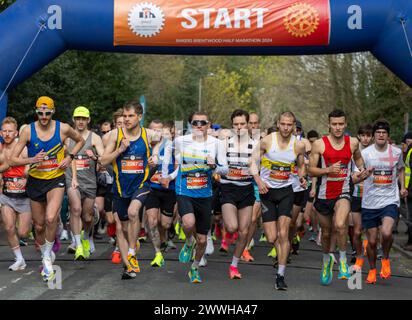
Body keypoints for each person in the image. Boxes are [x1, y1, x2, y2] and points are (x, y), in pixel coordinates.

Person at [10, 96, 85, 282]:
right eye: (40, 112)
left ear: (53, 112)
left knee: (51, 218)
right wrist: (31, 160)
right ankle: (45, 251)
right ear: (36, 112)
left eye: (47, 112)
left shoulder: (63, 128)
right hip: (35, 181)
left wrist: (70, 157)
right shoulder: (28, 130)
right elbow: (12, 159)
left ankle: (47, 258)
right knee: (39, 224)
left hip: (55, 179)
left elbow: (81, 140)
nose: (43, 116)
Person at [161, 111, 228, 283]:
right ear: (191, 125)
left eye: (202, 123)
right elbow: (168, 152)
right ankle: (189, 242)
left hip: (205, 194)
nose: (199, 126)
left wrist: (215, 166)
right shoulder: (181, 141)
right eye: (195, 123)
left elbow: (225, 170)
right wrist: (165, 175)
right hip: (185, 191)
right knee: (188, 223)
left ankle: (194, 268)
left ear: (209, 124)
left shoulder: (217, 143)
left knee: (203, 239)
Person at [101, 101, 160, 280]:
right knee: (122, 227)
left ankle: (132, 252)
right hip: (120, 187)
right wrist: (120, 150)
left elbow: (161, 140)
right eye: (124, 116)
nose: (126, 119)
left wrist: (155, 156)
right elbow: (103, 161)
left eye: (130, 116)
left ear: (139, 117)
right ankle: (128, 267)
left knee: (133, 212)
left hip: (141, 184)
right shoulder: (115, 135)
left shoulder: (148, 134)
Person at [308, 109, 366, 286]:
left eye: (341, 124)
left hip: (344, 191)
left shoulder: (353, 142)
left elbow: (358, 159)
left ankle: (342, 260)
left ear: (346, 124)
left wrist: (362, 170)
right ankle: (327, 262)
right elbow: (311, 170)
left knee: (340, 224)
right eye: (334, 124)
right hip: (324, 194)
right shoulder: (319, 144)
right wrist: (327, 170)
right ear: (329, 125)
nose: (338, 127)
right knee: (326, 234)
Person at [251, 111, 306, 290]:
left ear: (293, 126)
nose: (286, 127)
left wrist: (302, 176)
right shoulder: (267, 141)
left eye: (289, 125)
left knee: (283, 233)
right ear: (278, 123)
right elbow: (252, 162)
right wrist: (259, 181)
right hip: (267, 192)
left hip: (286, 192)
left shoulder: (298, 145)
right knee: (271, 237)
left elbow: (301, 165)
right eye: (283, 124)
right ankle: (281, 251)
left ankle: (280, 275)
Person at [360, 120, 407, 284]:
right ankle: (372, 270)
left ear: (388, 136)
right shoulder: (366, 154)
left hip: (389, 200)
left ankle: (385, 258)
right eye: (378, 132)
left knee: (386, 233)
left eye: (384, 133)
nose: (381, 135)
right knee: (371, 241)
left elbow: (400, 169)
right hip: (369, 202)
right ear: (373, 136)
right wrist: (366, 173)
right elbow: (357, 175)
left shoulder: (396, 152)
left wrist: (402, 187)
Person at [220, 109, 257, 279]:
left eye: (243, 124)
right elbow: (218, 165)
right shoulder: (225, 143)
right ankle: (226, 233)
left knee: (244, 231)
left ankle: (234, 265)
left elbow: (260, 167)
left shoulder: (255, 144)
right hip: (228, 188)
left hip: (246, 189)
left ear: (248, 124)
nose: (239, 127)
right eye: (236, 124)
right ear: (232, 125)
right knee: (233, 227)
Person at [66, 106, 104, 260]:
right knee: (75, 209)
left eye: (83, 119)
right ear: (74, 120)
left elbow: (104, 158)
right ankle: (78, 246)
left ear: (88, 120)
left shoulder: (94, 138)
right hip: (71, 180)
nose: (80, 122)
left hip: (90, 181)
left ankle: (86, 236)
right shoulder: (67, 137)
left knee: (87, 217)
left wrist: (95, 157)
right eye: (78, 118)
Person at [0, 117, 31, 271]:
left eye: (10, 131)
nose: (7, 134)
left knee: (23, 232)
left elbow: (29, 165)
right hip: (6, 196)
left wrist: (25, 179)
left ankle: (45, 241)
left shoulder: (22, 148)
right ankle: (19, 259)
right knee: (9, 228)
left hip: (24, 196)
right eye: (4, 131)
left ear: (16, 132)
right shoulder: (0, 148)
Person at [145, 121, 176, 267]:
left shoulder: (173, 147)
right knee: (152, 221)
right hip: (152, 189)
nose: (157, 133)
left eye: (160, 130)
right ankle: (158, 253)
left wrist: (169, 178)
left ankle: (164, 238)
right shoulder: (147, 146)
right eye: (154, 130)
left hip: (169, 190)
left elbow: (179, 168)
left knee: (165, 223)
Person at [350, 124, 373, 269]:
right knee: (357, 230)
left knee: (370, 231)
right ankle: (357, 253)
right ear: (358, 136)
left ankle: (366, 251)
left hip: (371, 195)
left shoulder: (374, 152)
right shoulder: (353, 151)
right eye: (363, 135)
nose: (365, 138)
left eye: (368, 135)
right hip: (356, 193)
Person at [242, 112, 262, 262]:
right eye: (251, 123)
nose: (254, 126)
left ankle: (245, 248)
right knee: (240, 221)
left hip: (257, 182)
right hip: (242, 182)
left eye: (256, 123)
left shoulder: (264, 141)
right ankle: (242, 240)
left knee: (253, 218)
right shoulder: (239, 141)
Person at [402, 132, 412, 251]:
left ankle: (410, 243)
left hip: (410, 191)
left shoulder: (410, 151)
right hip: (408, 189)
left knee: (410, 219)